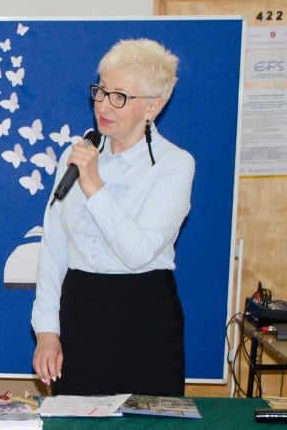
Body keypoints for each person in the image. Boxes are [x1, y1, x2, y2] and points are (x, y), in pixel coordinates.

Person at [31, 38, 194, 397]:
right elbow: (54, 249)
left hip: (145, 315)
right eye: (101, 91)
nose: (104, 105)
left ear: (153, 105)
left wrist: (94, 185)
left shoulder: (174, 164)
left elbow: (139, 252)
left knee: (148, 429)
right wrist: (47, 332)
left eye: (119, 96)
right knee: (75, 428)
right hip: (80, 309)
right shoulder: (76, 155)